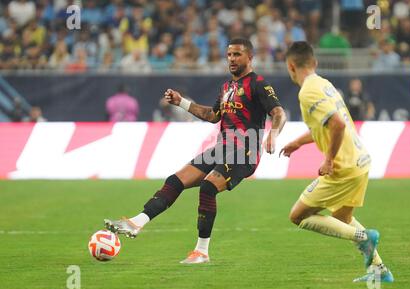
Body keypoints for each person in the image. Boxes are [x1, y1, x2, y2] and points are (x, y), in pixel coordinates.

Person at [104, 38, 287, 264]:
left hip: (244, 152)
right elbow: (213, 116)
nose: (231, 59)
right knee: (175, 180)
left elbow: (279, 113)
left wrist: (274, 133)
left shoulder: (258, 84)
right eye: (229, 54)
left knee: (208, 187)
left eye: (237, 54)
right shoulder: (227, 87)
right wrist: (182, 102)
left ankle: (201, 251)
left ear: (250, 57)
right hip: (221, 148)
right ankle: (137, 222)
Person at [280, 41, 393, 283]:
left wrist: (328, 160)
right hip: (360, 161)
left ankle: (364, 237)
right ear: (315, 63)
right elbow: (329, 125)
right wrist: (298, 143)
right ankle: (379, 271)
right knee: (342, 219)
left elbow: (338, 125)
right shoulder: (324, 84)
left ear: (290, 66)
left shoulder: (307, 92)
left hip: (343, 166)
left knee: (298, 216)